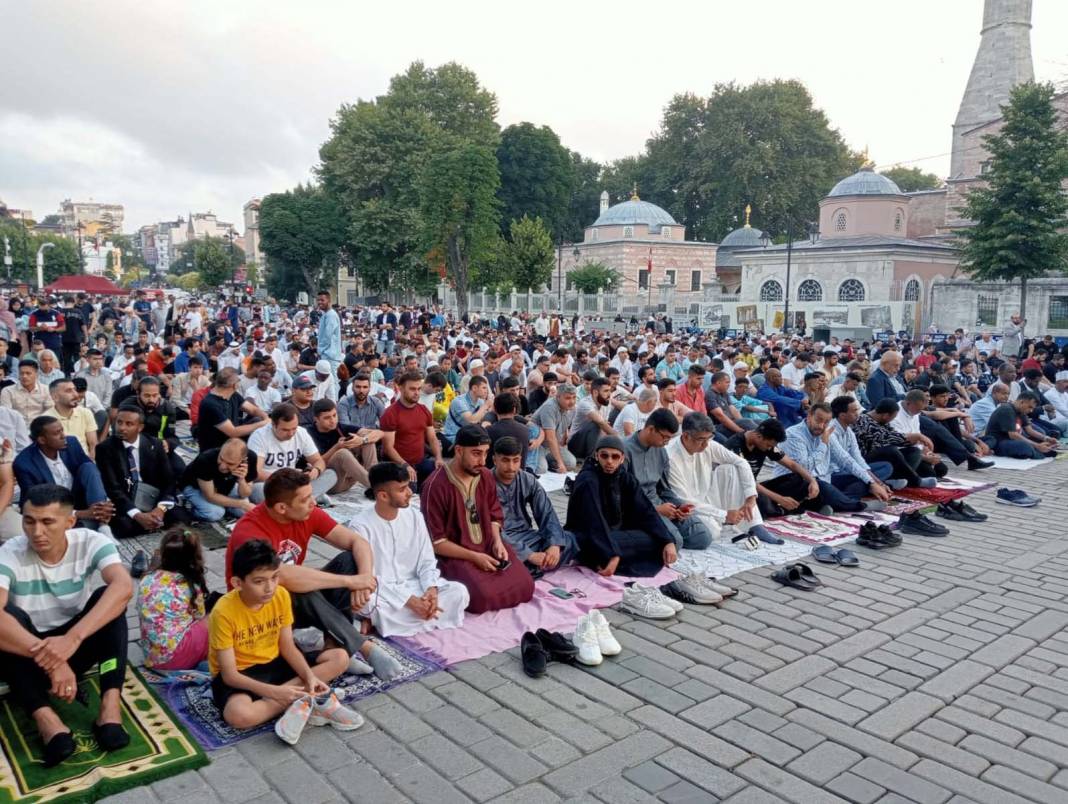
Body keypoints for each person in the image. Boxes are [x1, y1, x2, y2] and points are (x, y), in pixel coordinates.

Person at [0, 485, 132, 767]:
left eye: (47, 522)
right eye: (29, 520)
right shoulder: (10, 552)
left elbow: (123, 586)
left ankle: (109, 706)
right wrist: (53, 661)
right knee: (8, 617)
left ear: (70, 521)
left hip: (74, 645)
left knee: (109, 603)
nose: (36, 532)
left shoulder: (91, 541)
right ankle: (47, 720)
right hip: (27, 655)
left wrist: (72, 639)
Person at [228, 469, 400, 680]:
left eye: (311, 494)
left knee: (349, 560)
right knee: (295, 586)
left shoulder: (307, 512)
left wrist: (363, 580)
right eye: (306, 498)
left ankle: (335, 648)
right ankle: (363, 646)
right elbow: (282, 576)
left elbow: (358, 542)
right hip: (260, 609)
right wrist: (350, 581)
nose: (313, 501)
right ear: (282, 507)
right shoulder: (250, 530)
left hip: (295, 602)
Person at [210, 539, 357, 738]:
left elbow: (287, 646)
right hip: (243, 673)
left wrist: (309, 676)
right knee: (239, 716)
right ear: (237, 583)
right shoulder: (223, 612)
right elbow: (230, 675)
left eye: (274, 578)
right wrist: (274, 692)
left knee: (340, 657)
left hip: (277, 662)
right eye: (259, 581)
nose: (269, 588)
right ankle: (308, 700)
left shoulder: (280, 595)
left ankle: (301, 699)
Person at [420, 426, 535, 614]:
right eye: (476, 454)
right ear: (458, 450)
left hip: (488, 546)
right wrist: (474, 557)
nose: (482, 461)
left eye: (486, 454)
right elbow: (437, 543)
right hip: (455, 556)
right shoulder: (435, 486)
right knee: (482, 597)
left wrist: (497, 541)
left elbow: (495, 514)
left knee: (526, 586)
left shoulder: (486, 476)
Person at [350, 462, 468, 637]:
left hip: (416, 587)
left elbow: (427, 561)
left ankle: (386, 623)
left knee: (459, 592)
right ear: (383, 496)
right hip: (384, 594)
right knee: (367, 604)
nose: (410, 493)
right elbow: (370, 578)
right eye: (402, 489)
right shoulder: (360, 526)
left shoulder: (415, 516)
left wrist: (431, 589)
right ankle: (420, 618)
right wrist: (409, 602)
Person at [565, 434, 676, 577]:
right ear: (597, 456)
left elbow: (645, 510)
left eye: (615, 457)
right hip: (588, 536)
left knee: (657, 540)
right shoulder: (588, 479)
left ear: (622, 458)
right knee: (595, 547)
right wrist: (610, 552)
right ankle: (606, 558)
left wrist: (667, 540)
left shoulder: (625, 477)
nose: (609, 461)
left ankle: (610, 558)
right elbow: (593, 520)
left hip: (615, 534)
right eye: (604, 456)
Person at [665, 412, 778, 545]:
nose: (706, 445)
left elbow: (741, 462)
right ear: (686, 436)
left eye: (709, 438)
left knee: (731, 469)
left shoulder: (708, 444)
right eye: (702, 440)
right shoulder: (671, 457)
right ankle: (726, 521)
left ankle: (755, 525)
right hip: (690, 508)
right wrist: (724, 515)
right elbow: (684, 500)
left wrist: (751, 496)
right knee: (711, 532)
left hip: (708, 496)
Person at [625, 409, 714, 550]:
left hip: (659, 505)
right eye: (664, 437)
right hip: (637, 511)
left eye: (669, 438)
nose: (666, 443)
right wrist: (656, 510)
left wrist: (679, 506)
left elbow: (664, 490)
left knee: (703, 536)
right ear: (651, 429)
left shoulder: (660, 451)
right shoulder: (624, 452)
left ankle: (658, 534)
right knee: (674, 542)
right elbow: (622, 498)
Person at [97, 405, 190, 539]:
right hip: (127, 500)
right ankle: (148, 522)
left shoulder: (155, 445)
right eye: (119, 422)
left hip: (152, 498)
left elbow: (168, 481)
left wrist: (160, 509)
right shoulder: (105, 448)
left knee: (181, 518)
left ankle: (151, 521)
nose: (122, 428)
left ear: (140, 427)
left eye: (129, 424)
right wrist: (137, 515)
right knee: (123, 527)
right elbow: (112, 488)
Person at [14, 417, 114, 530]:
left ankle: (103, 526)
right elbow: (37, 502)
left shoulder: (71, 443)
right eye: (57, 433)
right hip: (48, 506)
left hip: (76, 498)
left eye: (62, 430)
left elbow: (91, 474)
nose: (63, 436)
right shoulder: (24, 463)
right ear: (42, 440)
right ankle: (88, 521)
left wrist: (99, 505)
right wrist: (81, 514)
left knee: (89, 467)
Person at [493, 437, 577, 571]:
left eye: (516, 461)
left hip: (527, 536)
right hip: (500, 541)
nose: (511, 467)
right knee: (498, 558)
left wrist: (554, 544)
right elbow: (489, 530)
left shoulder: (527, 479)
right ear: (494, 460)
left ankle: (534, 567)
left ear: (521, 459)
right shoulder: (484, 484)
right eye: (505, 460)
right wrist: (528, 555)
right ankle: (534, 567)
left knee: (570, 539)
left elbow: (546, 513)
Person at [138, 528, 211, 670]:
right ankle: (208, 657)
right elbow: (199, 615)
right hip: (174, 658)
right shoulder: (189, 586)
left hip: (152, 657)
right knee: (214, 619)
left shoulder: (147, 579)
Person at [723, 418, 821, 519]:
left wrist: (812, 481)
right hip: (740, 488)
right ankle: (780, 509)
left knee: (797, 478)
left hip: (756, 486)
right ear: (759, 436)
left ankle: (781, 506)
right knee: (758, 500)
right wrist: (779, 498)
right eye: (768, 445)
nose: (769, 448)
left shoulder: (764, 443)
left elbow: (792, 464)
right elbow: (744, 481)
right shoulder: (735, 446)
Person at [249, 403, 338, 503]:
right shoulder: (259, 436)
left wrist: (316, 470)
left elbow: (318, 460)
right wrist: (287, 479)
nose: (291, 434)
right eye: (285, 430)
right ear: (273, 425)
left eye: (294, 428)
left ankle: (301, 499)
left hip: (295, 481)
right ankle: (309, 497)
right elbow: (256, 473)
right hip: (271, 482)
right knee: (258, 491)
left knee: (331, 474)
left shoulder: (301, 433)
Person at [379, 370, 443, 487]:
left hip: (420, 461)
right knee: (410, 492)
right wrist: (405, 465)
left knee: (442, 480)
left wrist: (438, 458)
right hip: (398, 464)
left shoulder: (423, 410)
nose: (417, 393)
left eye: (419, 389)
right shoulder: (391, 414)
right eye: (412, 389)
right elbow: (388, 448)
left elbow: (433, 438)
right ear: (401, 389)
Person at [826, 396, 897, 501]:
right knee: (861, 478)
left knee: (886, 467)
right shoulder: (830, 432)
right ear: (842, 415)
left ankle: (865, 489)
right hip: (833, 475)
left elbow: (858, 458)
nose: (858, 414)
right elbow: (846, 461)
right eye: (854, 411)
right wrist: (870, 482)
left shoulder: (848, 431)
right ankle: (846, 498)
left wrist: (878, 482)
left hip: (848, 471)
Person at [181, 438, 257, 521]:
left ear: (242, 460)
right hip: (196, 487)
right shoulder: (206, 459)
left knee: (244, 512)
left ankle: (225, 505)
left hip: (226, 485)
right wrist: (241, 504)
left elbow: (245, 494)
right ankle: (187, 506)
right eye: (221, 458)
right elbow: (210, 496)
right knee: (215, 513)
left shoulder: (251, 458)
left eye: (230, 463)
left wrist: (242, 480)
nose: (222, 466)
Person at [305, 398, 374, 491]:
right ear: (316, 419)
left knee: (366, 437)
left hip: (350, 479)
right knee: (342, 453)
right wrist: (337, 447)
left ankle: (375, 476)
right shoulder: (308, 433)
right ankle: (375, 485)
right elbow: (317, 462)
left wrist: (362, 440)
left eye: (334, 415)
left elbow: (379, 433)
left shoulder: (339, 427)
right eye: (327, 418)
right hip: (329, 482)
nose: (333, 420)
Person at [196, 368, 270, 452]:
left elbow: (253, 409)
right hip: (217, 450)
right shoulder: (210, 404)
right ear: (234, 385)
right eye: (239, 380)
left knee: (257, 420)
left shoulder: (233, 394)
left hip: (232, 441)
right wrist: (263, 424)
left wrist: (265, 417)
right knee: (258, 427)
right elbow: (232, 432)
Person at [982, 390, 1058, 459]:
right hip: (999, 442)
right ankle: (1038, 452)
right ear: (1022, 402)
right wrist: (1037, 446)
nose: (1031, 411)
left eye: (1032, 408)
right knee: (1024, 446)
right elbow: (1013, 435)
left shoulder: (1022, 411)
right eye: (1030, 407)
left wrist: (1047, 438)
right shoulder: (1007, 410)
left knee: (1041, 439)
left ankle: (1042, 451)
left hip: (1010, 440)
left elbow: (1030, 430)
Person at [45, 378, 99, 458]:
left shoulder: (85, 412)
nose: (76, 394)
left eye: (75, 390)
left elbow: (93, 444)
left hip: (84, 461)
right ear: (55, 397)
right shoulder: (46, 419)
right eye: (69, 391)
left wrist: (91, 463)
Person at [531, 382, 577, 474]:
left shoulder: (572, 408)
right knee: (541, 469)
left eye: (574, 397)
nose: (572, 401)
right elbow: (550, 437)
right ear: (558, 397)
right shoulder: (549, 407)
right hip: (538, 444)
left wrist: (562, 447)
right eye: (567, 398)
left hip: (553, 444)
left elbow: (564, 431)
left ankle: (548, 460)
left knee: (571, 463)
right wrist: (560, 463)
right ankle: (541, 461)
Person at [1, 360, 52, 427]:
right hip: (16, 427)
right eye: (21, 373)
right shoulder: (8, 391)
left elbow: (50, 411)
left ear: (36, 374)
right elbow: (7, 414)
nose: (24, 376)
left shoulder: (46, 390)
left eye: (28, 373)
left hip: (40, 427)